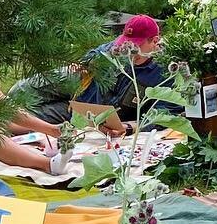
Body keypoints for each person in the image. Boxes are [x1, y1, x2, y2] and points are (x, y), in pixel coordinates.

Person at [15, 15, 174, 135]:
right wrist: (85, 63)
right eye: (126, 45)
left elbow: (164, 114)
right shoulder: (117, 49)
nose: (129, 51)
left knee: (27, 124)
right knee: (21, 93)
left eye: (136, 46)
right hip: (82, 100)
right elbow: (95, 54)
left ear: (155, 41)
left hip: (94, 121)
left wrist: (129, 127)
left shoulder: (167, 71)